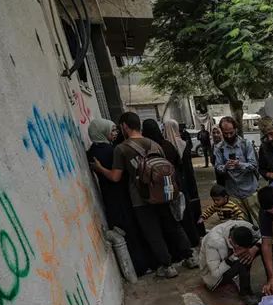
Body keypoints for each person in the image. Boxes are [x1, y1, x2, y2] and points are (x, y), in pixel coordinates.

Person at [93, 112, 198, 278]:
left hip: (140, 199)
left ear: (125, 126)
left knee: (153, 232)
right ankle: (190, 257)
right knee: (173, 225)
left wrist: (99, 168)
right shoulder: (155, 144)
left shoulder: (122, 149)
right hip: (163, 194)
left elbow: (115, 177)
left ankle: (168, 267)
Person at [87, 119, 155, 276]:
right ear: (102, 132)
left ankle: (139, 265)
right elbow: (117, 176)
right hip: (121, 196)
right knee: (131, 229)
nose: (115, 133)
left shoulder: (93, 151)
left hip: (110, 196)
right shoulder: (111, 151)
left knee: (124, 229)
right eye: (112, 131)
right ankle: (141, 265)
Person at [199, 221, 261, 305]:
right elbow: (215, 273)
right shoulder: (214, 242)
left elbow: (265, 236)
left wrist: (254, 248)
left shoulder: (246, 226)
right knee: (242, 259)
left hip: (227, 259)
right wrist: (234, 255)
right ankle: (245, 293)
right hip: (213, 276)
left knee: (265, 247)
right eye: (240, 247)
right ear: (231, 241)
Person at [214, 117, 261, 226]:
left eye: (231, 133)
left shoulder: (246, 144)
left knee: (260, 221)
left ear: (236, 129)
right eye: (226, 133)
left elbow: (254, 166)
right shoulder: (219, 148)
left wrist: (239, 165)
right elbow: (218, 168)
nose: (229, 136)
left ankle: (266, 242)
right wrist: (225, 167)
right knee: (242, 225)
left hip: (250, 190)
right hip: (233, 193)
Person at [164, 118, 206, 243]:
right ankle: (196, 234)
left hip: (173, 182)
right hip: (186, 180)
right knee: (189, 207)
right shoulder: (182, 144)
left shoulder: (164, 146)